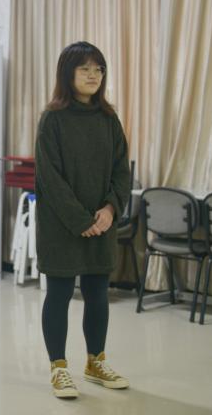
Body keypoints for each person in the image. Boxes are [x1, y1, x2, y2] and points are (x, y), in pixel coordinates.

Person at [35, 41, 131, 399]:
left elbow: (121, 170)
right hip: (62, 225)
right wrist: (80, 220)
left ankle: (95, 362)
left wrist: (110, 210)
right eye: (85, 69)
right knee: (59, 293)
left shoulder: (108, 118)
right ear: (68, 73)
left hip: (102, 221)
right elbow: (50, 178)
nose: (94, 75)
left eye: (99, 69)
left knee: (97, 293)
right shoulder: (53, 119)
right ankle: (59, 368)